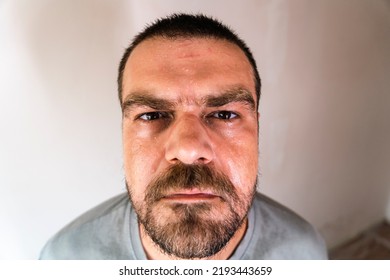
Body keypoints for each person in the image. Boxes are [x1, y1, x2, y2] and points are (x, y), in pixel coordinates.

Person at [40, 13, 327, 260]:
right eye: (152, 115)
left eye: (225, 115)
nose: (189, 150)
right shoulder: (64, 259)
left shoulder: (304, 252)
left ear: (258, 131)